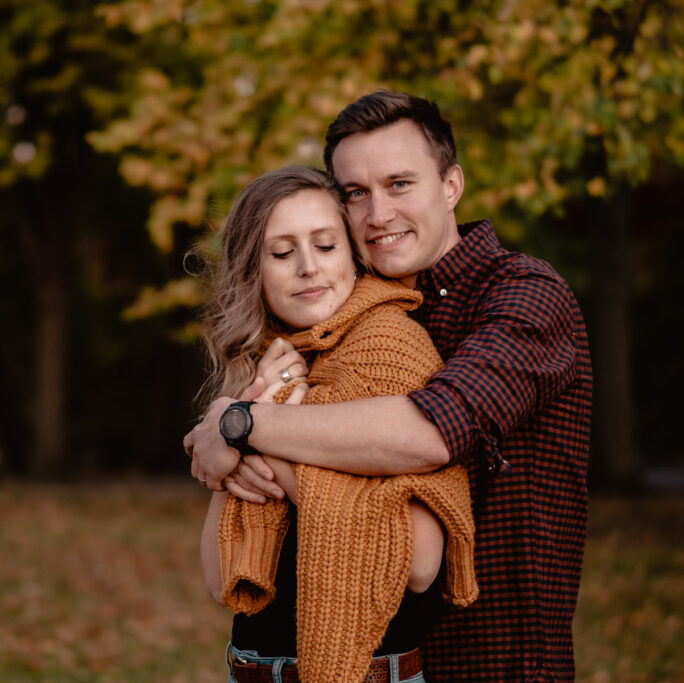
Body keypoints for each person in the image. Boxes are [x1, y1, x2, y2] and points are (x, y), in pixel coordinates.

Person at [186, 91, 592, 682]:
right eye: (356, 192)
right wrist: (234, 427)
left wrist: (241, 425)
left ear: (451, 185)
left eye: (400, 183)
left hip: (493, 662)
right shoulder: (349, 321)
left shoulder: (524, 297)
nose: (377, 214)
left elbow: (429, 432)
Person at [195, 165, 477, 683]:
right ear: (252, 271)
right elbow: (221, 581)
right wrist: (232, 448)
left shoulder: (392, 351)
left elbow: (419, 562)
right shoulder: (269, 370)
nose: (308, 267)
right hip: (250, 670)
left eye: (325, 246)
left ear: (353, 254)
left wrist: (261, 444)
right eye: (281, 253)